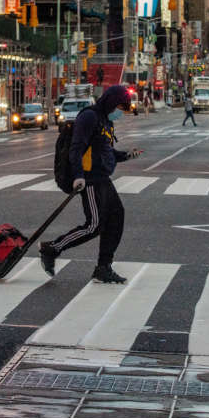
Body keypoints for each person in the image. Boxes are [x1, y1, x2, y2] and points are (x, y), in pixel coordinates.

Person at [40, 85, 142, 284]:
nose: (120, 112)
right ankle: (52, 248)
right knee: (94, 225)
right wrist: (78, 176)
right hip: (90, 179)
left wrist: (126, 155)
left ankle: (104, 267)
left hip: (103, 178)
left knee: (116, 218)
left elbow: (105, 151)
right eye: (119, 107)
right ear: (111, 102)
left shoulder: (105, 120)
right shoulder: (90, 117)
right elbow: (77, 148)